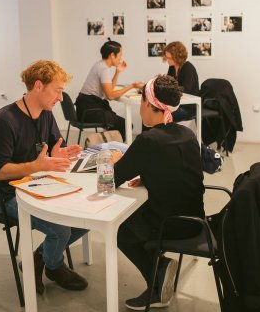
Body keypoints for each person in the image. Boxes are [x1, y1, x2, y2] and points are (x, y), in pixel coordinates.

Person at [0, 60, 88, 295]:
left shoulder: (46, 114)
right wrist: (35, 166)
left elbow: (52, 151)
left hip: (41, 186)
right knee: (61, 230)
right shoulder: (5, 120)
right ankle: (54, 266)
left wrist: (58, 154)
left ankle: (38, 259)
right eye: (58, 91)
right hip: (8, 195)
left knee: (85, 217)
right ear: (38, 86)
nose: (61, 98)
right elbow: (0, 171)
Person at [113, 74, 205, 309]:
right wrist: (146, 176)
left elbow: (114, 177)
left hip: (170, 224)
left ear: (147, 103)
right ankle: (160, 267)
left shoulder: (148, 141)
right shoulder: (187, 134)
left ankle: (157, 273)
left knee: (119, 227)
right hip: (196, 220)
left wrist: (117, 159)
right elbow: (175, 169)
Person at [76, 38, 144, 140]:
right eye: (120, 55)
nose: (121, 59)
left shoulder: (100, 65)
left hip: (86, 107)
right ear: (112, 55)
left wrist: (118, 72)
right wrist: (132, 86)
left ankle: (111, 148)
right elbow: (110, 96)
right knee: (126, 125)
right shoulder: (104, 69)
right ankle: (117, 150)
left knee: (120, 123)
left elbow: (109, 89)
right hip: (89, 110)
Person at [161, 41, 199, 122]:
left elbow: (185, 90)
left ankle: (158, 134)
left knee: (161, 116)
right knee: (151, 112)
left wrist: (167, 88)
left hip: (188, 107)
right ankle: (148, 135)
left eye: (169, 58)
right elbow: (168, 85)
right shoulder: (172, 67)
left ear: (178, 57)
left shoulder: (188, 68)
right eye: (166, 57)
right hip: (176, 104)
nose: (167, 60)